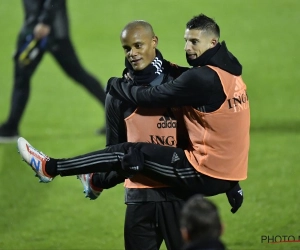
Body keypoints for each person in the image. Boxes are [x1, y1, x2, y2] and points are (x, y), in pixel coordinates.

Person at [17, 14, 248, 215]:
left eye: (194, 42)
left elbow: (151, 96)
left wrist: (116, 86)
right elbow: (228, 133)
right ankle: (94, 180)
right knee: (130, 158)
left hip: (201, 174)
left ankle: (50, 167)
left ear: (213, 42)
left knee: (130, 153)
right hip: (222, 174)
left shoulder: (199, 78)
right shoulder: (229, 75)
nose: (187, 47)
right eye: (186, 41)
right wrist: (231, 182)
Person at [75, 20, 191, 250]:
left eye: (138, 45)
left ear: (154, 41)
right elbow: (114, 151)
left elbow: (205, 138)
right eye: (127, 48)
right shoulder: (117, 95)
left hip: (181, 196)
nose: (132, 53)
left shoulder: (180, 82)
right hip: (140, 199)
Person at [0, 0, 106, 143]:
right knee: (22, 76)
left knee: (78, 73)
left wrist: (45, 21)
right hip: (33, 29)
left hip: (51, 31)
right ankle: (11, 126)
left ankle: (116, 114)